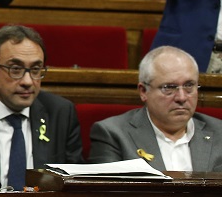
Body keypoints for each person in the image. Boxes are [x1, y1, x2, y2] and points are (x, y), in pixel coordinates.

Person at [0, 25, 83, 190]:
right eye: (15, 69)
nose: (28, 81)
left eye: (36, 69)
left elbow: (75, 182)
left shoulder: (61, 113)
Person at [89, 46, 222, 172]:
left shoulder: (219, 133)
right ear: (143, 91)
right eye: (169, 87)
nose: (181, 97)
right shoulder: (113, 134)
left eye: (189, 86)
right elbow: (106, 195)